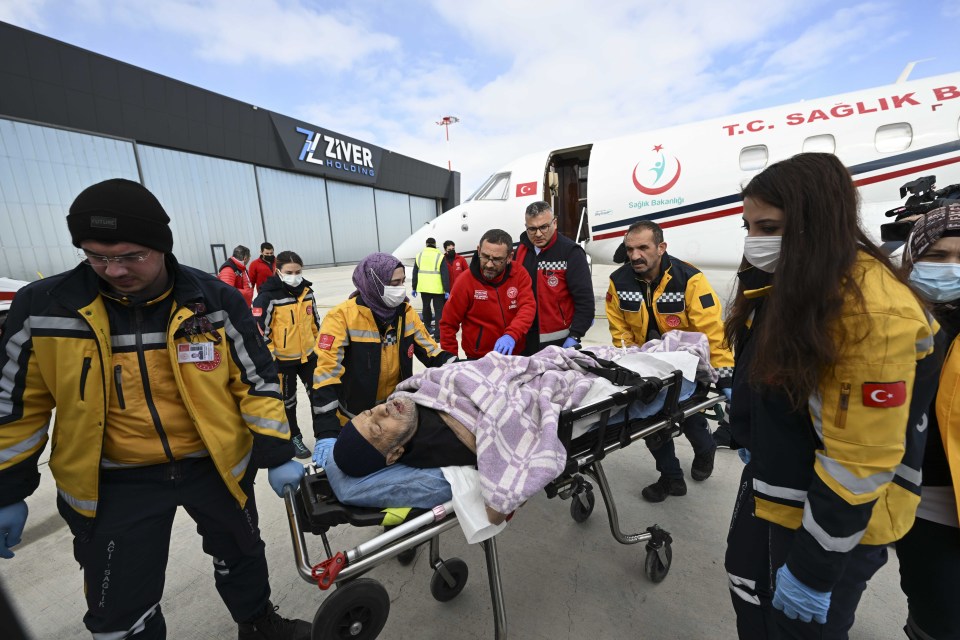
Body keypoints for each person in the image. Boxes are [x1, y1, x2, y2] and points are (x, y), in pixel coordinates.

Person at [0, 179, 309, 639]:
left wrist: (277, 451)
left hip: (215, 466)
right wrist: (7, 486)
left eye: (130, 256)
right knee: (119, 602)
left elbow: (255, 379)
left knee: (242, 554)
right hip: (114, 480)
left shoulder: (212, 300)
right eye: (96, 256)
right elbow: (16, 403)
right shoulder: (46, 307)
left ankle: (258, 622)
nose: (114, 270)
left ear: (161, 246)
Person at [722, 153, 937, 639]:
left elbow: (858, 463)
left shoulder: (871, 314)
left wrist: (814, 570)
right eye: (749, 226)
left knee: (797, 628)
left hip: (836, 523)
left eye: (768, 226)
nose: (755, 240)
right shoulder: (794, 285)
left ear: (814, 222)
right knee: (750, 595)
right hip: (781, 485)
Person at [605, 220, 733, 502]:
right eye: (630, 249)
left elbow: (711, 330)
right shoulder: (620, 281)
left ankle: (705, 449)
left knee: (689, 417)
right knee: (649, 421)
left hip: (688, 365)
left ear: (661, 247)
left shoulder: (689, 279)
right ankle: (671, 477)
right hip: (646, 364)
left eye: (643, 248)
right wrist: (632, 360)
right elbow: (619, 328)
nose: (635, 255)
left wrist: (725, 375)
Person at [311, 252, 455, 456]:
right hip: (356, 419)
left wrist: (465, 367)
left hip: (393, 417)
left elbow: (432, 353)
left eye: (402, 282)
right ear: (374, 283)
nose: (400, 289)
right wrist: (326, 431)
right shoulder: (341, 317)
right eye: (394, 283)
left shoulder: (405, 313)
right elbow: (326, 375)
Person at [895, 204, 960, 640]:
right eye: (937, 255)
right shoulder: (895, 322)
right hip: (925, 503)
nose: (951, 267)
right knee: (936, 613)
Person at [252, 250, 319, 460]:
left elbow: (316, 324)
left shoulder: (307, 292)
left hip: (309, 357)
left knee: (320, 396)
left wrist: (319, 350)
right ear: (278, 271)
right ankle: (294, 437)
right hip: (282, 361)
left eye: (298, 271)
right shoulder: (267, 297)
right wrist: (272, 357)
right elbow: (259, 332)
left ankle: (325, 436)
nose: (295, 275)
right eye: (289, 271)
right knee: (288, 402)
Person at [440, 229, 537, 359]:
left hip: (515, 354)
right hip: (479, 358)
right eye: (485, 257)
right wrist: (450, 360)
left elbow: (527, 307)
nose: (489, 265)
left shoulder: (519, 274)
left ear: (509, 257)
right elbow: (448, 324)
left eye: (497, 260)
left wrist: (512, 335)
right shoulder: (465, 281)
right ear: (479, 250)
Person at [514, 201, 594, 353]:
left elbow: (585, 300)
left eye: (543, 227)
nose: (538, 234)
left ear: (554, 223)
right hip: (524, 338)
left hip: (559, 342)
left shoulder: (571, 253)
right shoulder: (520, 251)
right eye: (532, 229)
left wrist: (576, 335)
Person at [412, 237, 450, 339]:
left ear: (426, 244)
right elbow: (444, 274)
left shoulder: (419, 256)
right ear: (435, 244)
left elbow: (415, 272)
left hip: (424, 288)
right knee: (439, 312)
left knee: (426, 308)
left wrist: (414, 287)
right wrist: (447, 290)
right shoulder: (440, 256)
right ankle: (438, 336)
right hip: (437, 289)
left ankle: (427, 329)